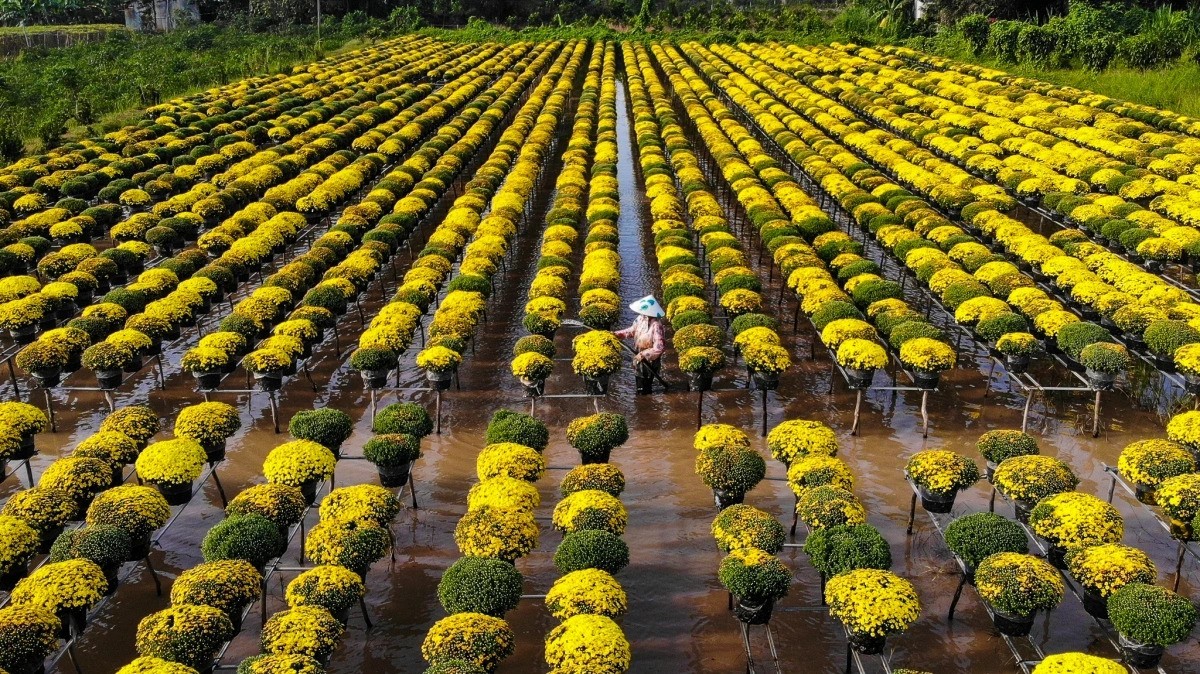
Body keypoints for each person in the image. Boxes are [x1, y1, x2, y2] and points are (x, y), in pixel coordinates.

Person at [613, 295, 666, 395]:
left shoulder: (656, 325)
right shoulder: (641, 318)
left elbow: (659, 348)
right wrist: (617, 334)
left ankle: (645, 398)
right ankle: (640, 396)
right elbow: (632, 331)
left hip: (649, 360)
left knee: (645, 385)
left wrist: (643, 355)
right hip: (638, 354)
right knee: (639, 380)